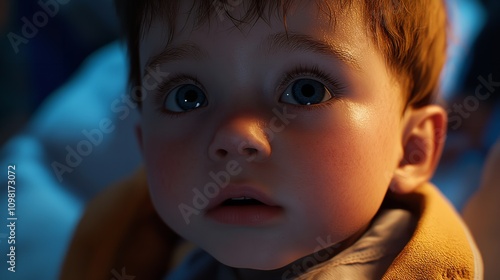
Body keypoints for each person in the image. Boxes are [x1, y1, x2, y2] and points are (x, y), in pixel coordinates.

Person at [61, 0, 483, 279]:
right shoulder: (138, 251)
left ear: (411, 150)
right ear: (143, 146)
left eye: (306, 90)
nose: (234, 135)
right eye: (186, 96)